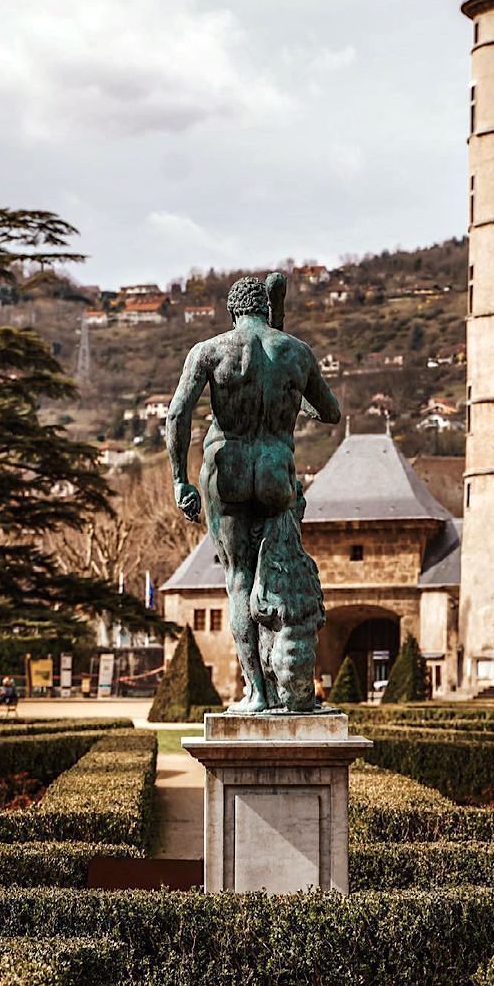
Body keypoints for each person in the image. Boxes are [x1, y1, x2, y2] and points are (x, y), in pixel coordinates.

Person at [167, 273, 341, 713]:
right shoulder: (295, 352)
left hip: (226, 469)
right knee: (279, 570)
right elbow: (330, 412)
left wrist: (178, 479)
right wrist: (291, 393)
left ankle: (257, 692)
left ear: (232, 312)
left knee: (239, 579)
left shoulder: (209, 351)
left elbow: (176, 417)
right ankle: (290, 683)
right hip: (274, 470)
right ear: (267, 309)